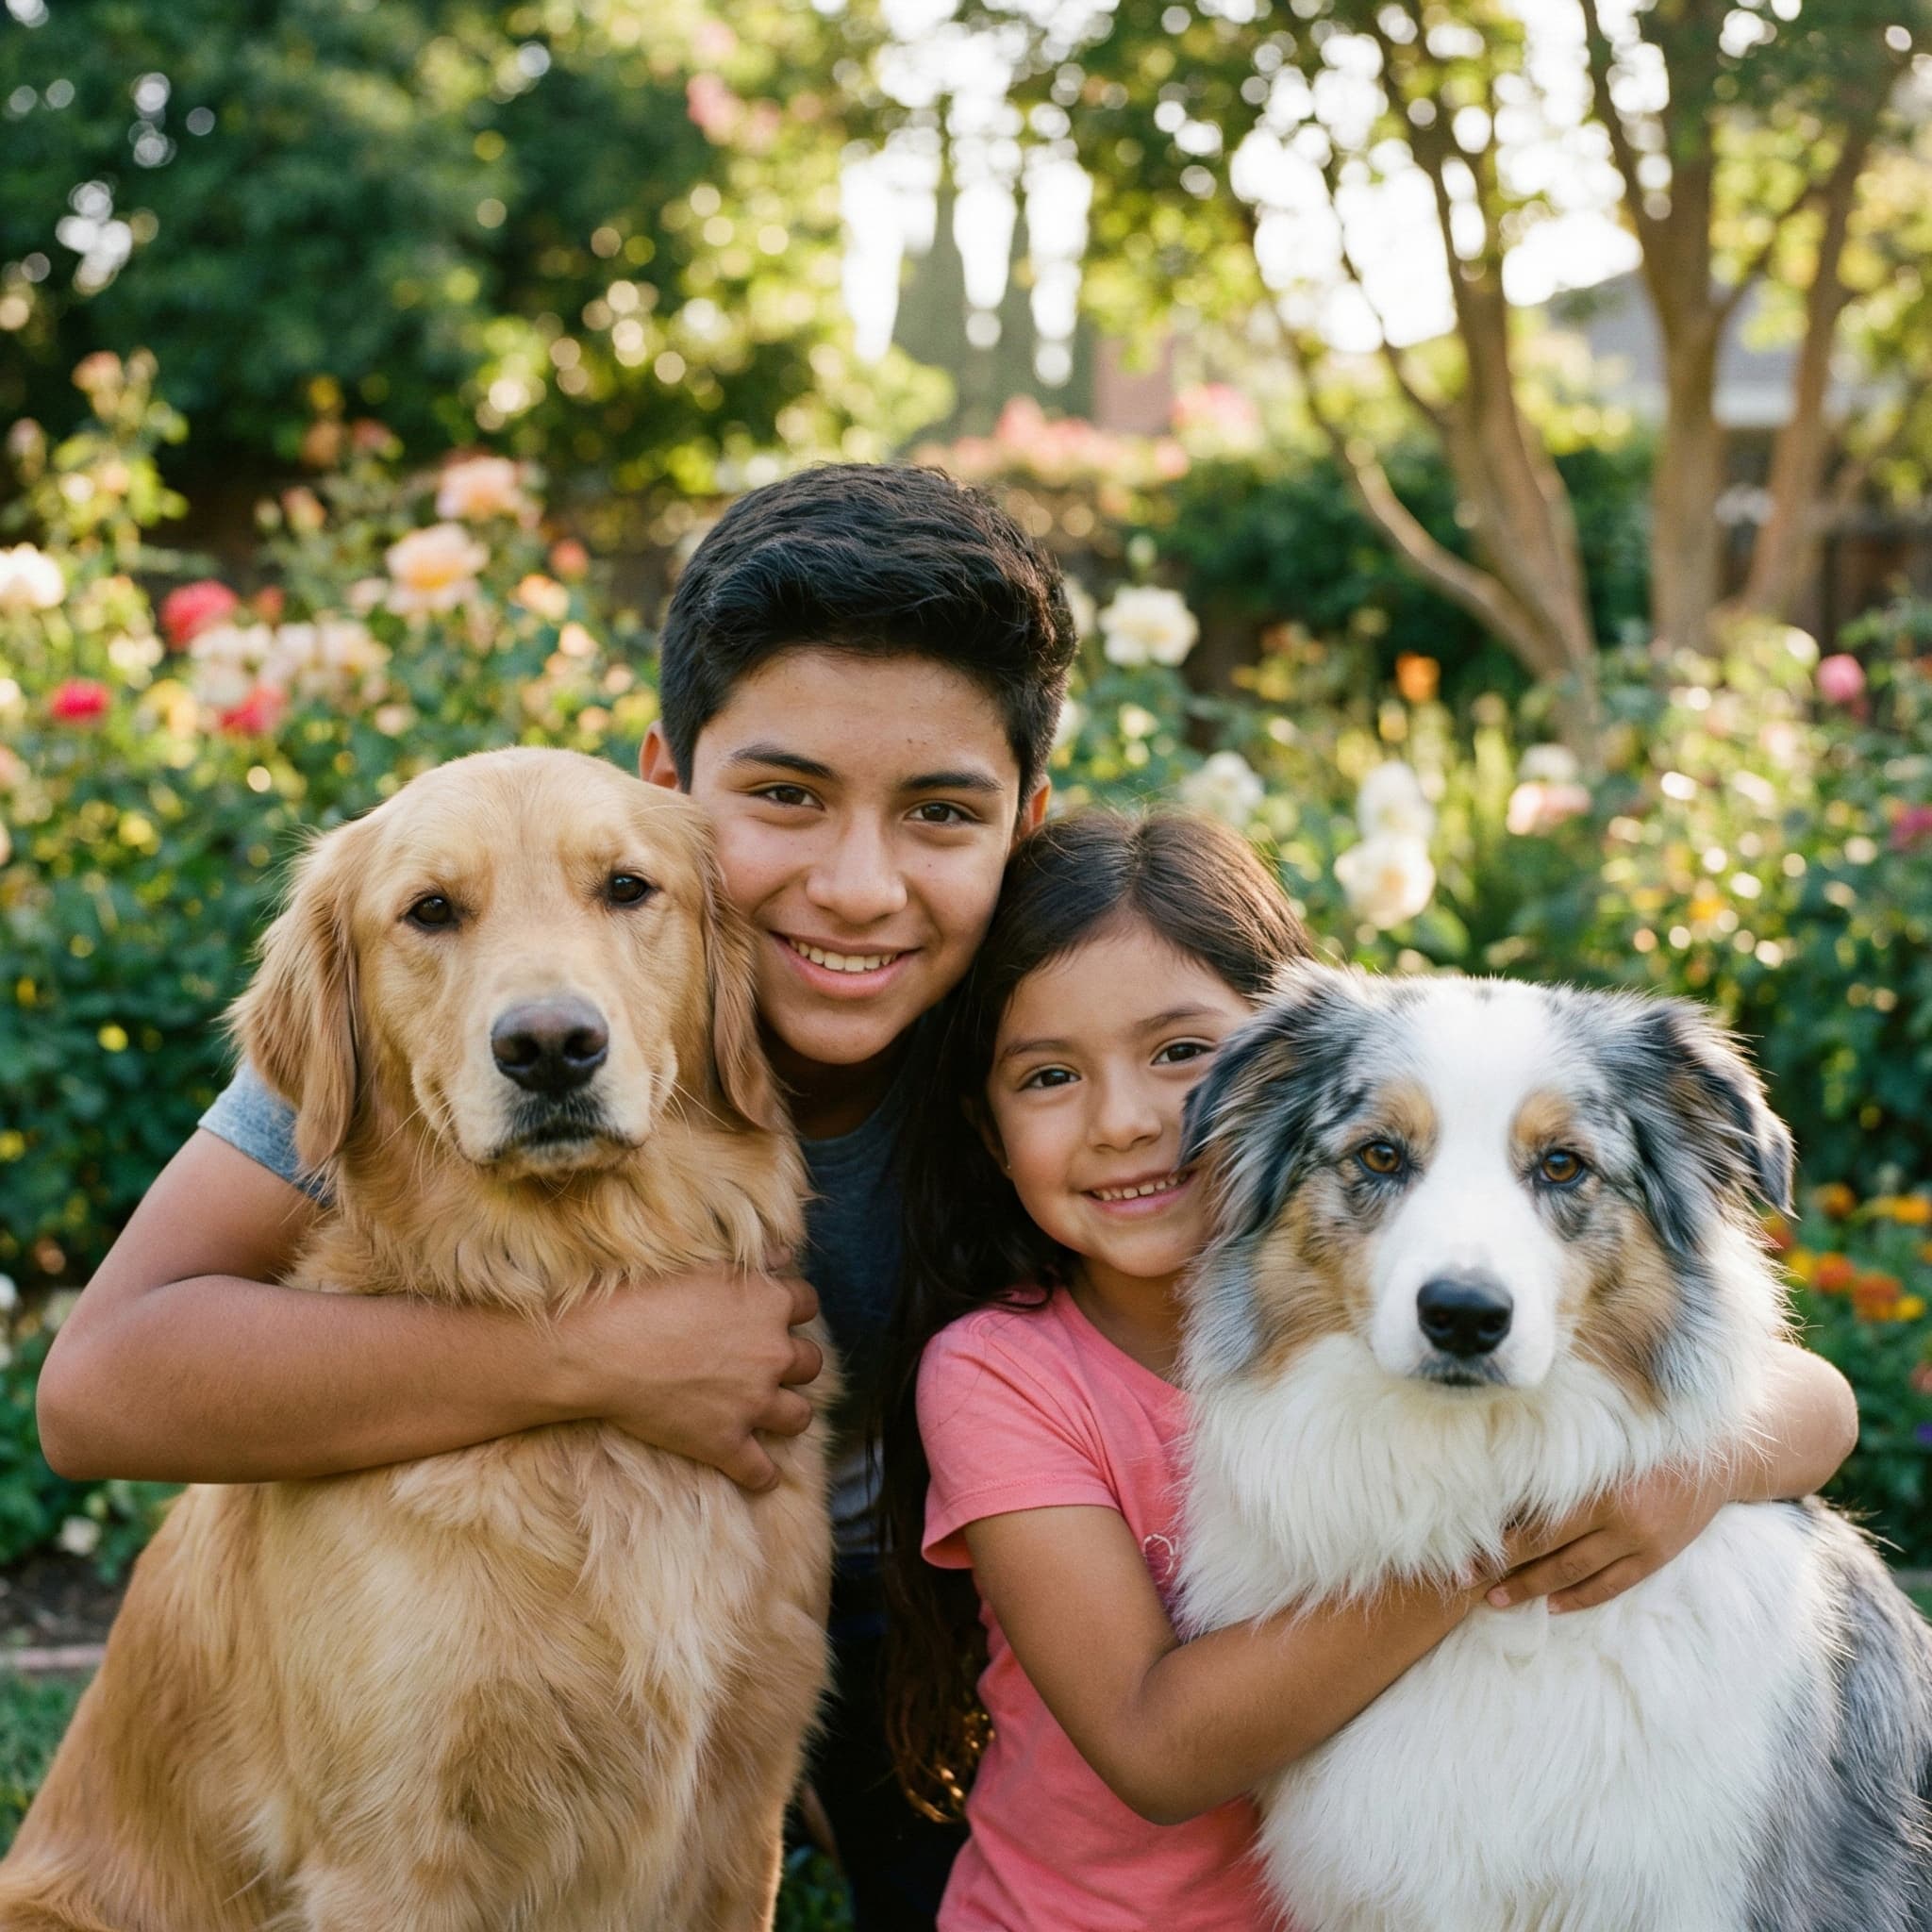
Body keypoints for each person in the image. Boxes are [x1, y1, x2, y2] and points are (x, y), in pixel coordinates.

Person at [36, 462, 1080, 1929]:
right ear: (679, 786)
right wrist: (587, 1359)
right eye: (784, 796)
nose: (854, 887)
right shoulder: (431, 1007)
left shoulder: (1078, 1030)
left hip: (948, 1623)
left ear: (1026, 822)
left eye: (937, 813)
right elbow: (98, 1390)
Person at [877, 810, 1858, 1932]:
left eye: (1561, 1164)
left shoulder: (1650, 1489)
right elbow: (1157, 1744)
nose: (1133, 1122)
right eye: (1381, 1156)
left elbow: (1795, 1396)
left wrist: (1703, 1460)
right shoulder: (1011, 1373)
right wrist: (1500, 1525)